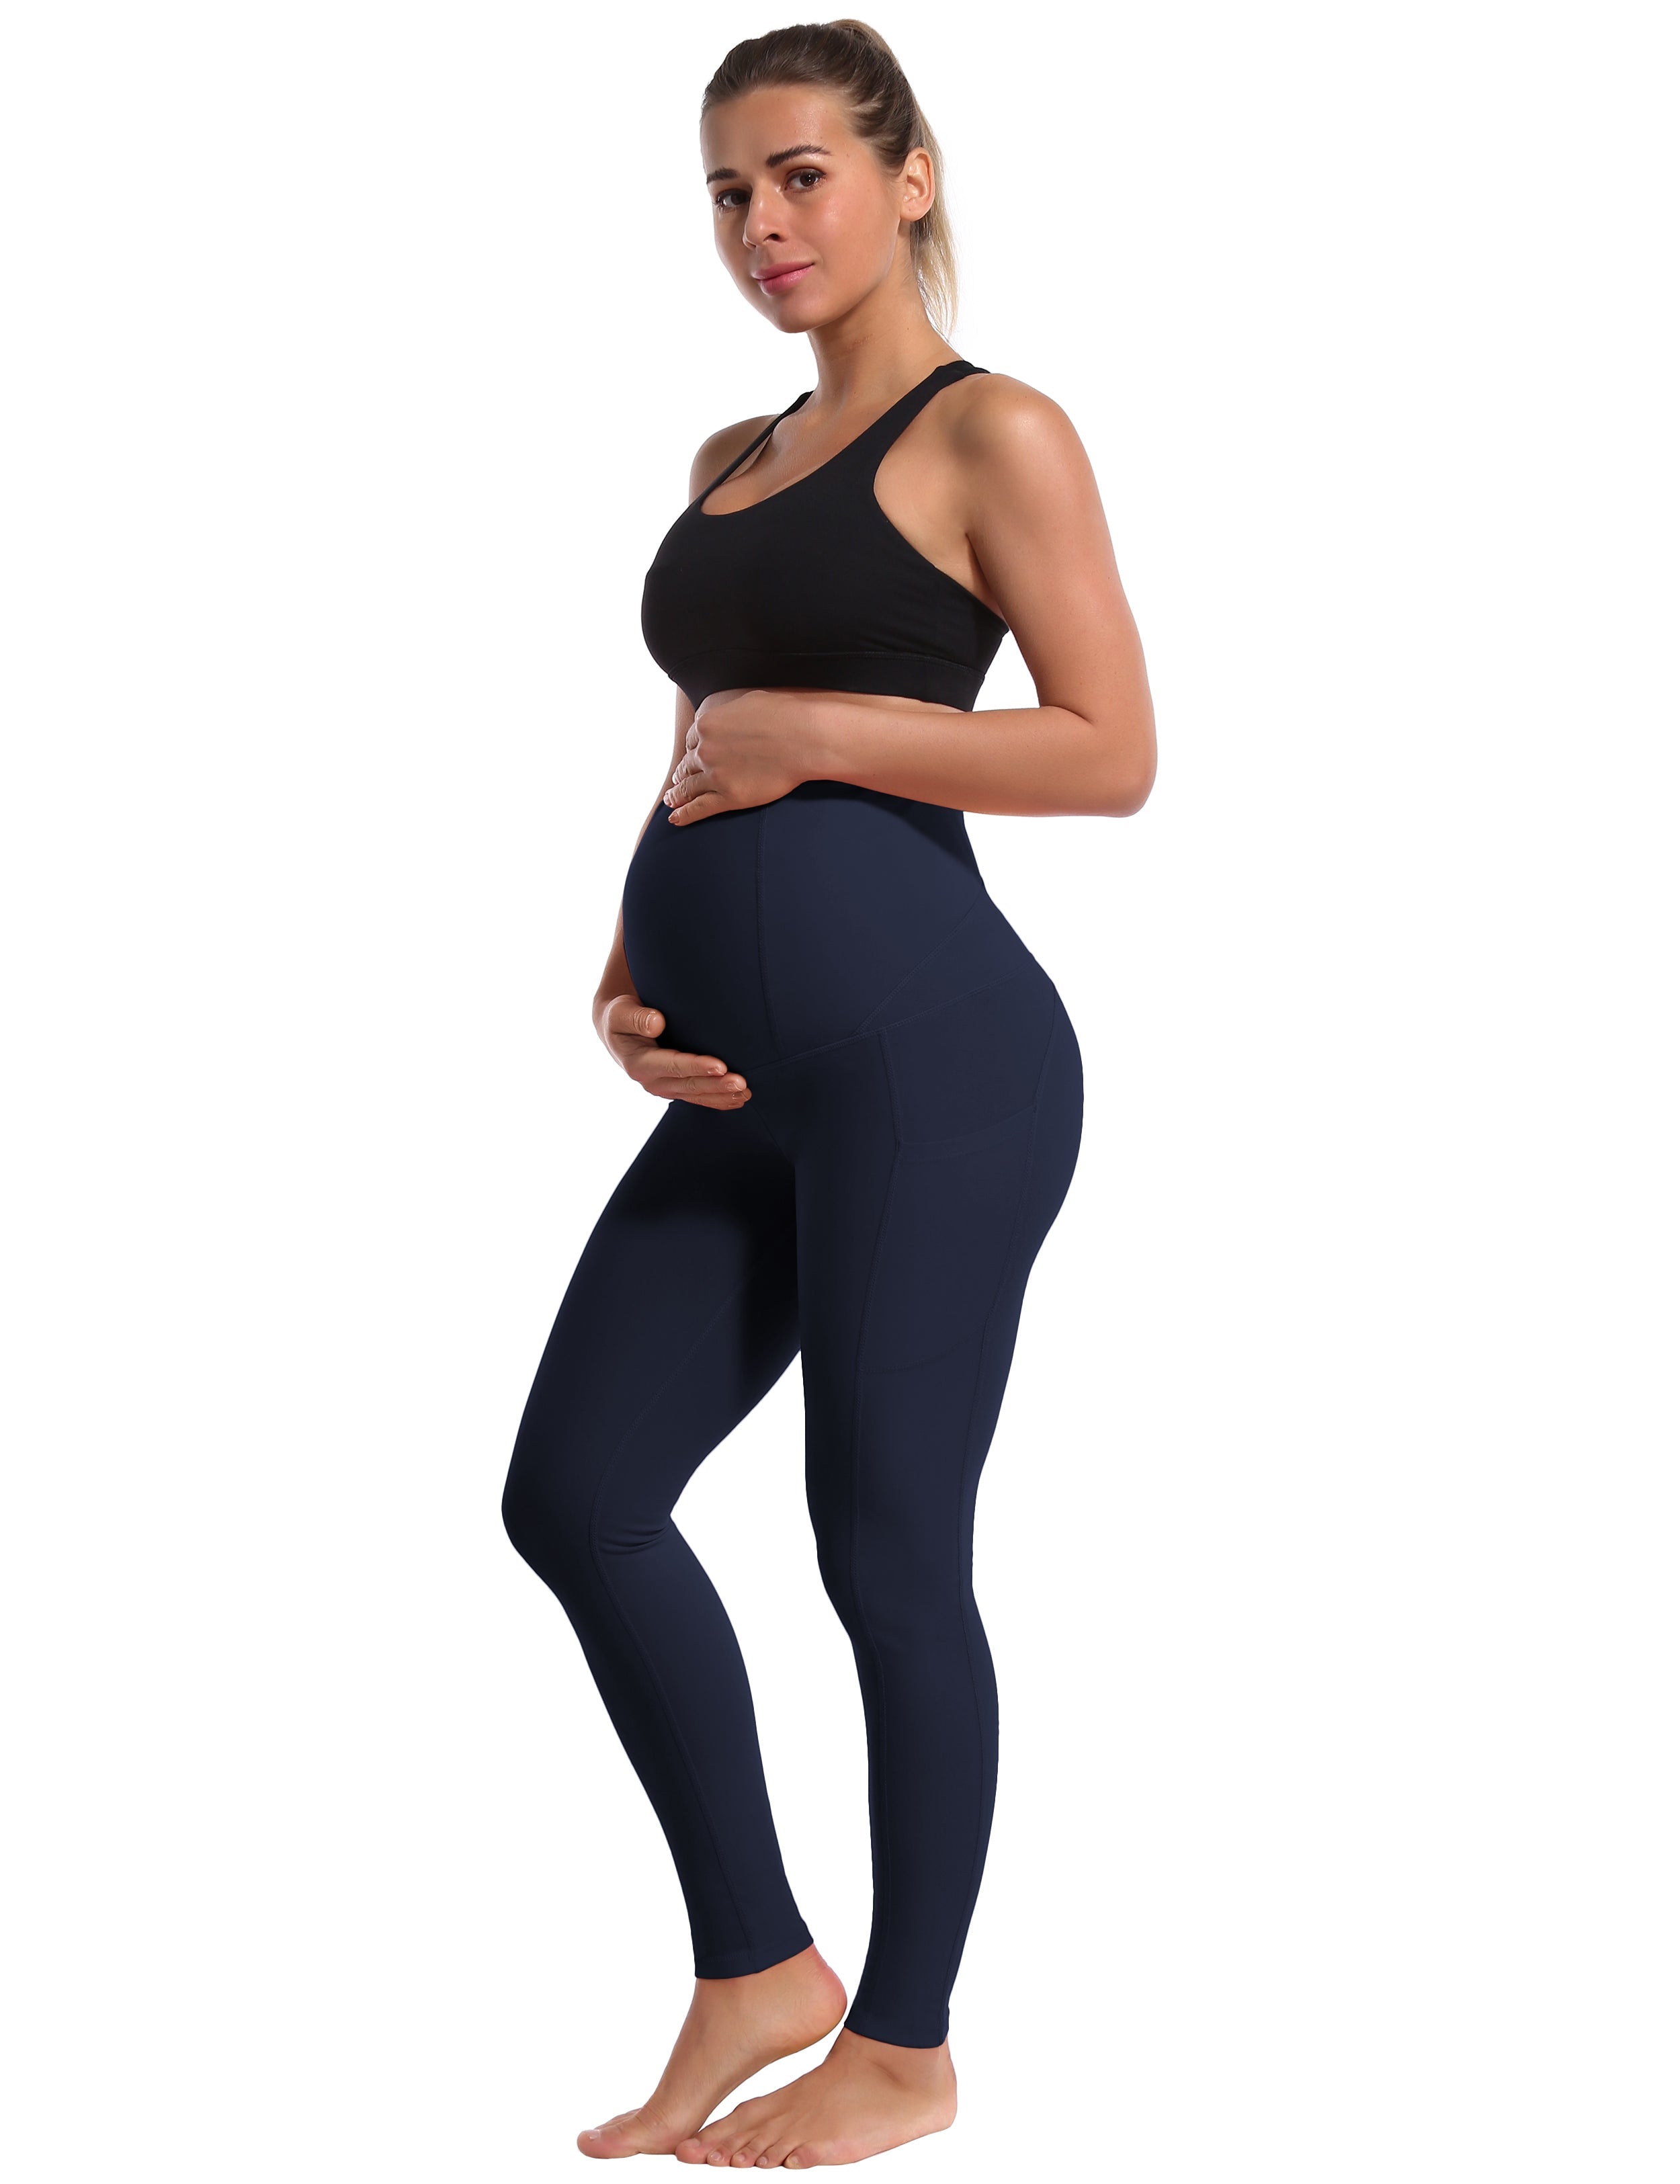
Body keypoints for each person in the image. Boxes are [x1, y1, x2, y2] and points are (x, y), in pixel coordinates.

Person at [501, 19, 1155, 2169]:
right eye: (726, 192)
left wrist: (824, 734)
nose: (761, 224)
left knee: (882, 1550)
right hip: (738, 1086)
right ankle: (753, 1965)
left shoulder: (996, 433)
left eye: (799, 176)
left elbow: (1109, 750)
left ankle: (905, 2038)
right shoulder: (733, 457)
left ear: (906, 177)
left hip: (934, 1074)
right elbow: (704, 735)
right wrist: (627, 970)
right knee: (575, 1494)